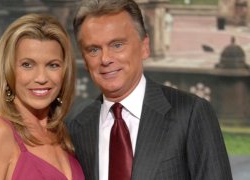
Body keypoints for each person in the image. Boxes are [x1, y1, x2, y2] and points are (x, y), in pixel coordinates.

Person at [67, 0, 232, 180]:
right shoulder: (77, 126)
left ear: (144, 46)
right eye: (94, 49)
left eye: (117, 45)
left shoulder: (190, 114)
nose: (105, 58)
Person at [0, 13, 84, 180]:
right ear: (9, 70)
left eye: (53, 65)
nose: (41, 78)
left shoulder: (64, 134)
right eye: (27, 65)